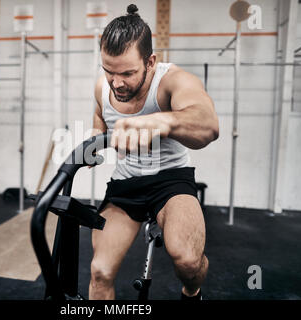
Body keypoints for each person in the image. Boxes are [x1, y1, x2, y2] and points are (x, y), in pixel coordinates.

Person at [89, 4, 219, 300]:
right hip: (126, 185)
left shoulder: (172, 80)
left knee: (188, 260)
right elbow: (100, 126)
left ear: (150, 62)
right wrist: (89, 149)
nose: (117, 82)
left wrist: (161, 120)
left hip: (171, 181)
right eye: (109, 71)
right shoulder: (102, 88)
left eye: (127, 73)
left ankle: (192, 289)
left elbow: (208, 126)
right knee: (100, 271)